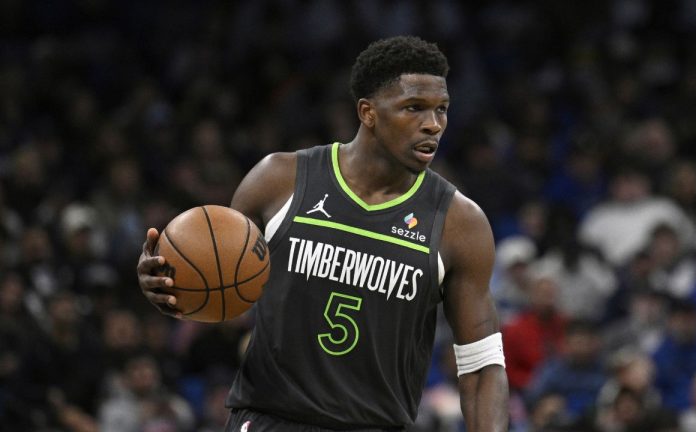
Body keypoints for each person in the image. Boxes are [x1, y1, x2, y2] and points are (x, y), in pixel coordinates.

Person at [136, 36, 509, 431]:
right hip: (269, 419)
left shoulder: (459, 223)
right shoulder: (279, 179)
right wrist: (166, 282)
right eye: (414, 108)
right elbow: (214, 281)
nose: (433, 124)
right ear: (368, 112)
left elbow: (482, 366)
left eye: (442, 110)